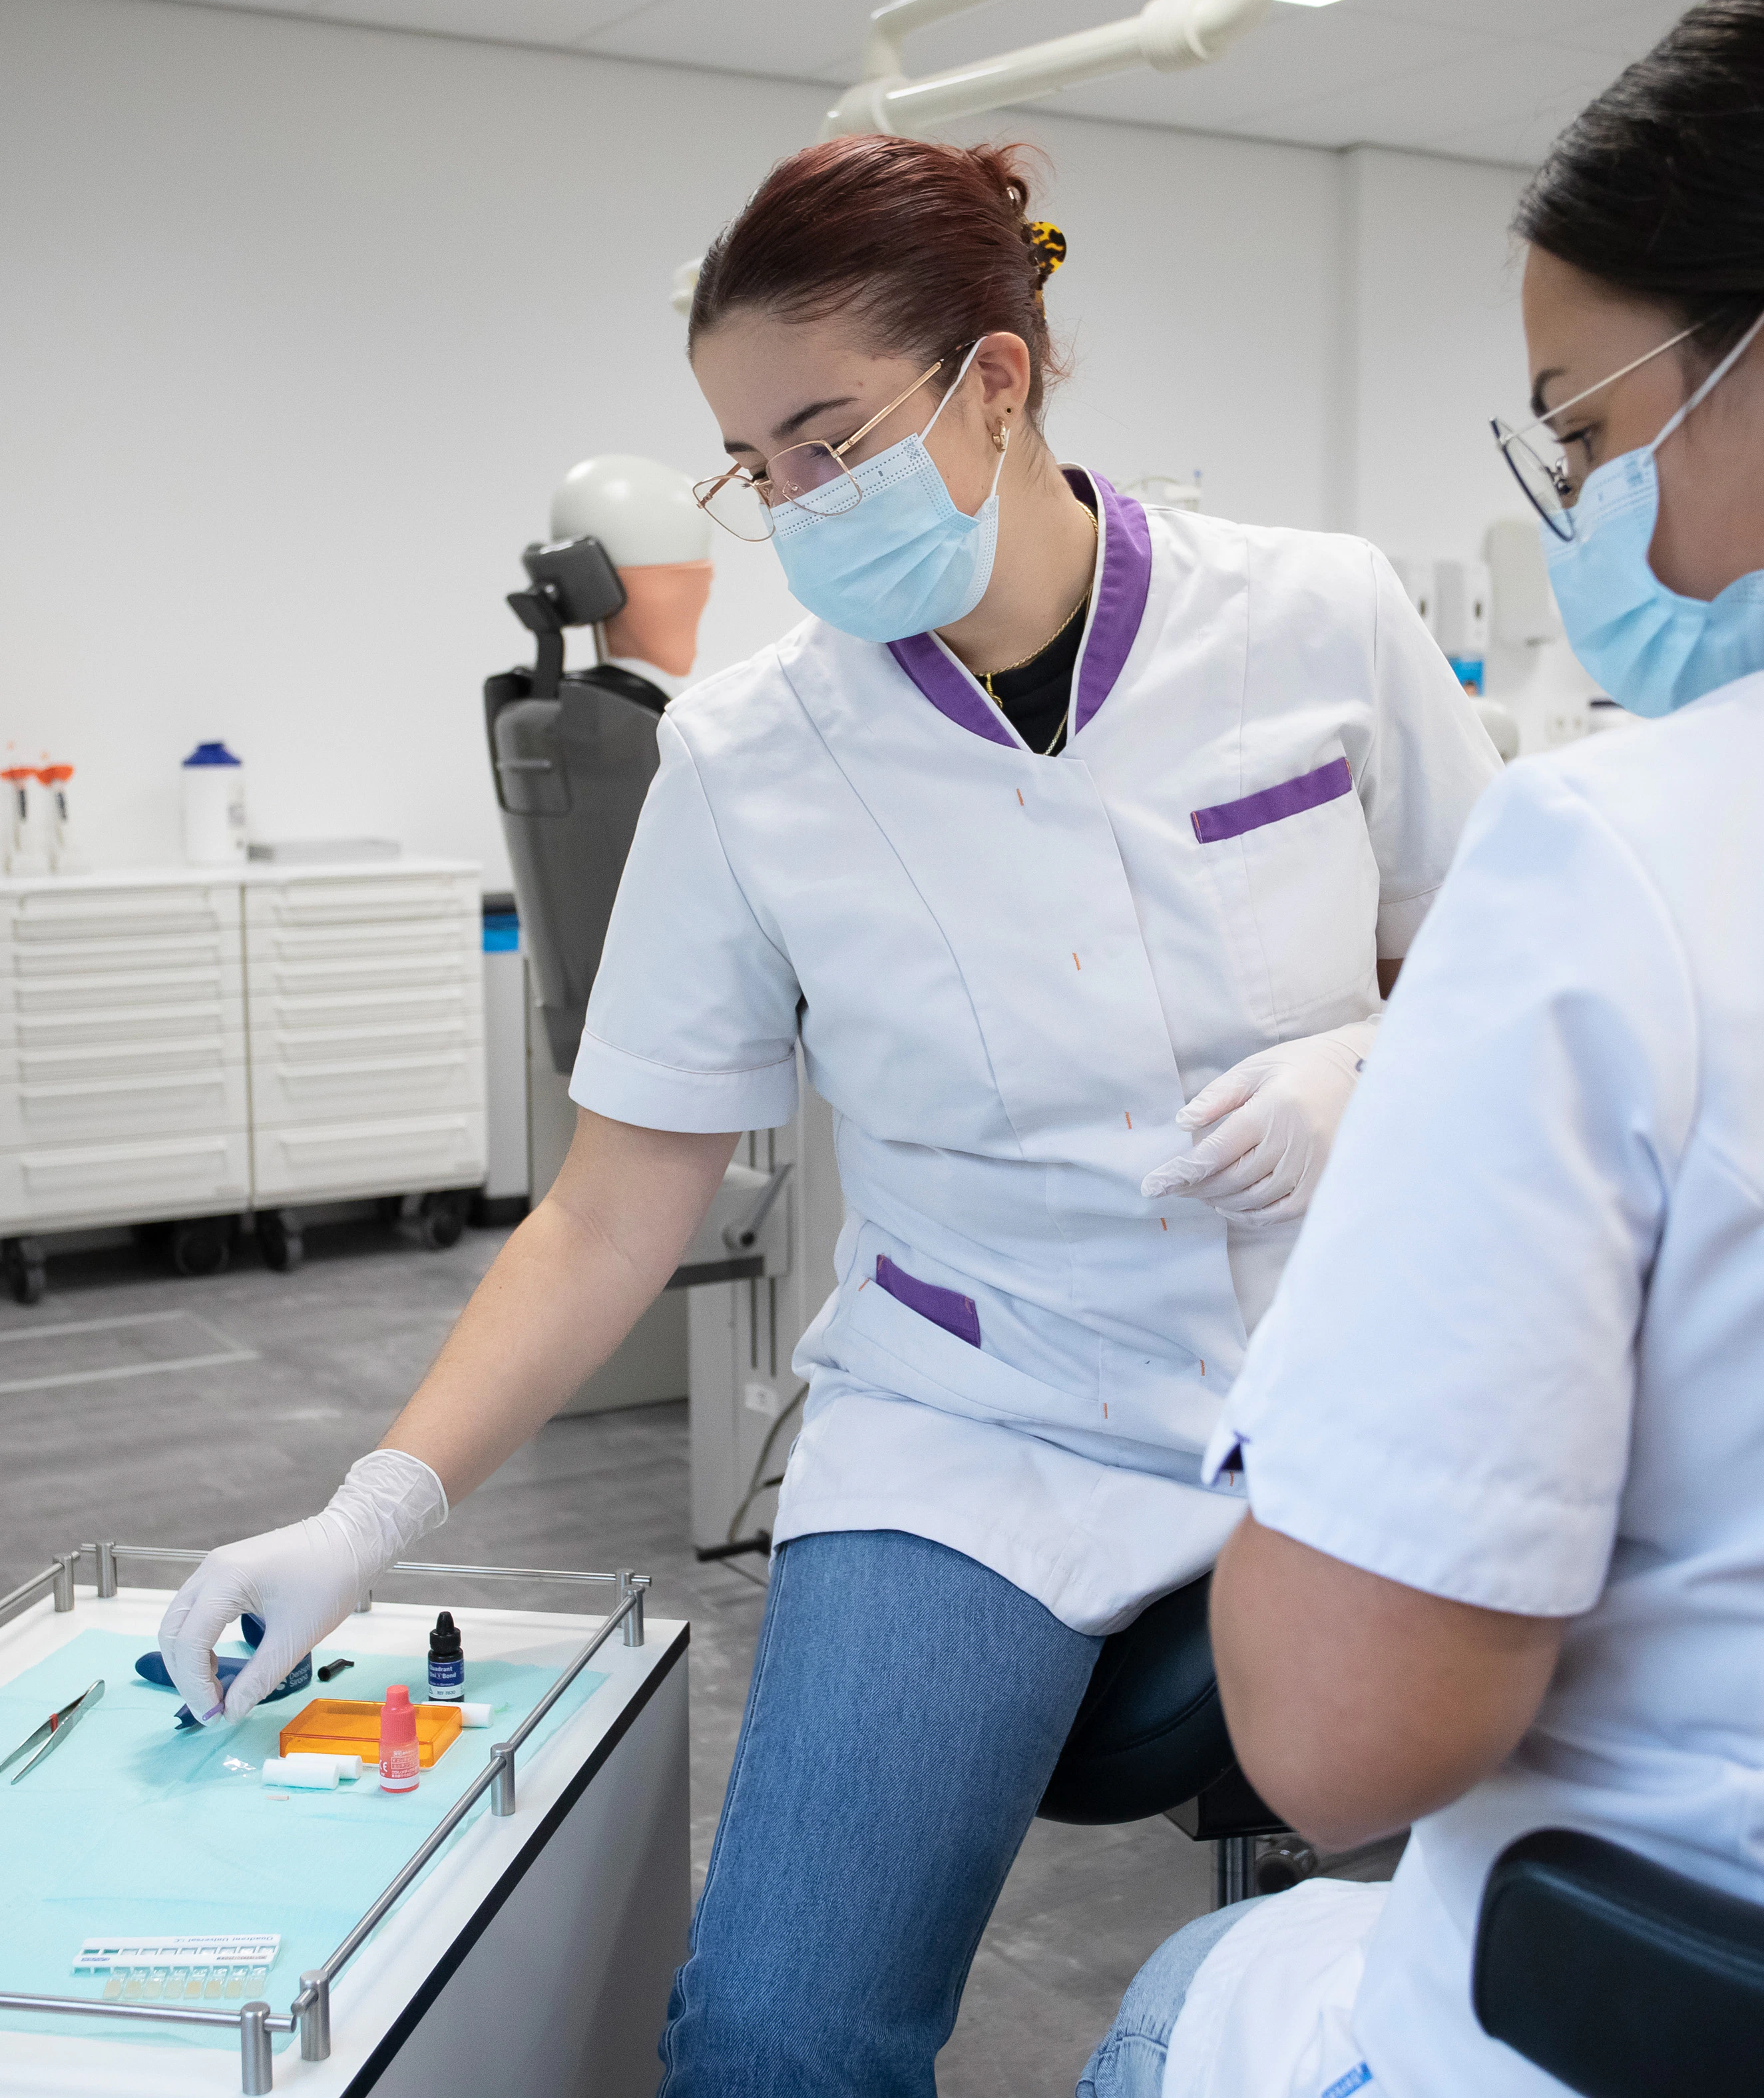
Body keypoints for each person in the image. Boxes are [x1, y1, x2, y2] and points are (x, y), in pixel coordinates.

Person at [159, 134, 1498, 2093]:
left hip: (1339, 1375)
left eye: (823, 437)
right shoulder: (750, 757)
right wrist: (370, 1513)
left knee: (1509, 1934)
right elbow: (613, 1204)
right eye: (752, 462)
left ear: (999, 379)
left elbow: (1508, 975)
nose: (791, 506)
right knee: (779, 2031)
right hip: (979, 1414)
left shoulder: (1318, 617)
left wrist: (1367, 1059)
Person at [1080, 0, 1764, 2098]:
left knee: (1199, 1997)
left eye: (1583, 430)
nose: (1585, 511)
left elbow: (1346, 1737)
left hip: (1634, 1993)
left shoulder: (1620, 854)